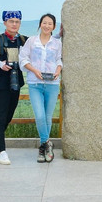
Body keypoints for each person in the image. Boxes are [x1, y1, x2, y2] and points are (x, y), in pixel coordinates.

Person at [0, 11, 28, 165]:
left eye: (17, 21)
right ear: (5, 23)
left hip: (16, 82)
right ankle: (1, 151)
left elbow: (40, 45)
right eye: (11, 21)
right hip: (1, 83)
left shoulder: (24, 40)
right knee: (1, 116)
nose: (14, 24)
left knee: (9, 116)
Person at [19, 13, 63, 163]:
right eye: (44, 23)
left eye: (50, 23)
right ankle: (47, 144)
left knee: (47, 117)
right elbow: (23, 58)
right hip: (35, 83)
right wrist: (34, 70)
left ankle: (43, 148)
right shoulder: (31, 41)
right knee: (39, 116)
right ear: (40, 24)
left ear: (54, 26)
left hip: (52, 84)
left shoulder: (57, 43)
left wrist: (58, 70)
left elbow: (59, 59)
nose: (47, 26)